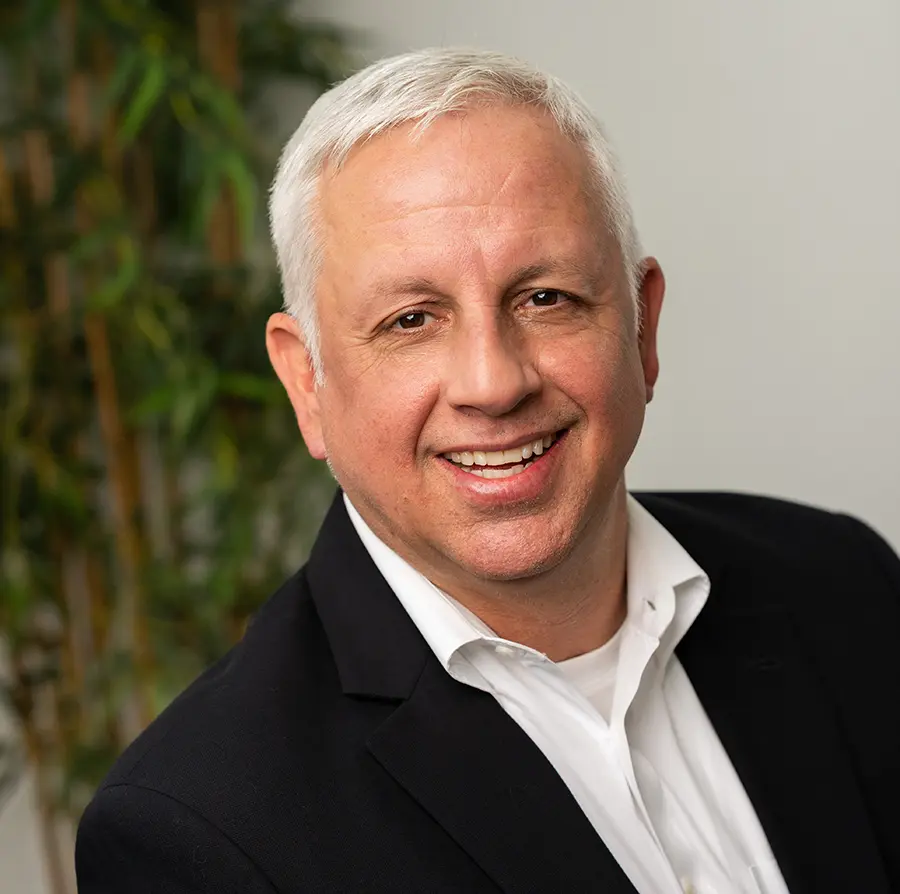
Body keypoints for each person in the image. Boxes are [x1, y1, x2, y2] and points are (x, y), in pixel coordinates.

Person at [75, 48, 900, 894]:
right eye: (411, 320)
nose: (493, 383)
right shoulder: (195, 833)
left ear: (644, 332)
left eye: (545, 298)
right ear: (307, 383)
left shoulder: (846, 584)